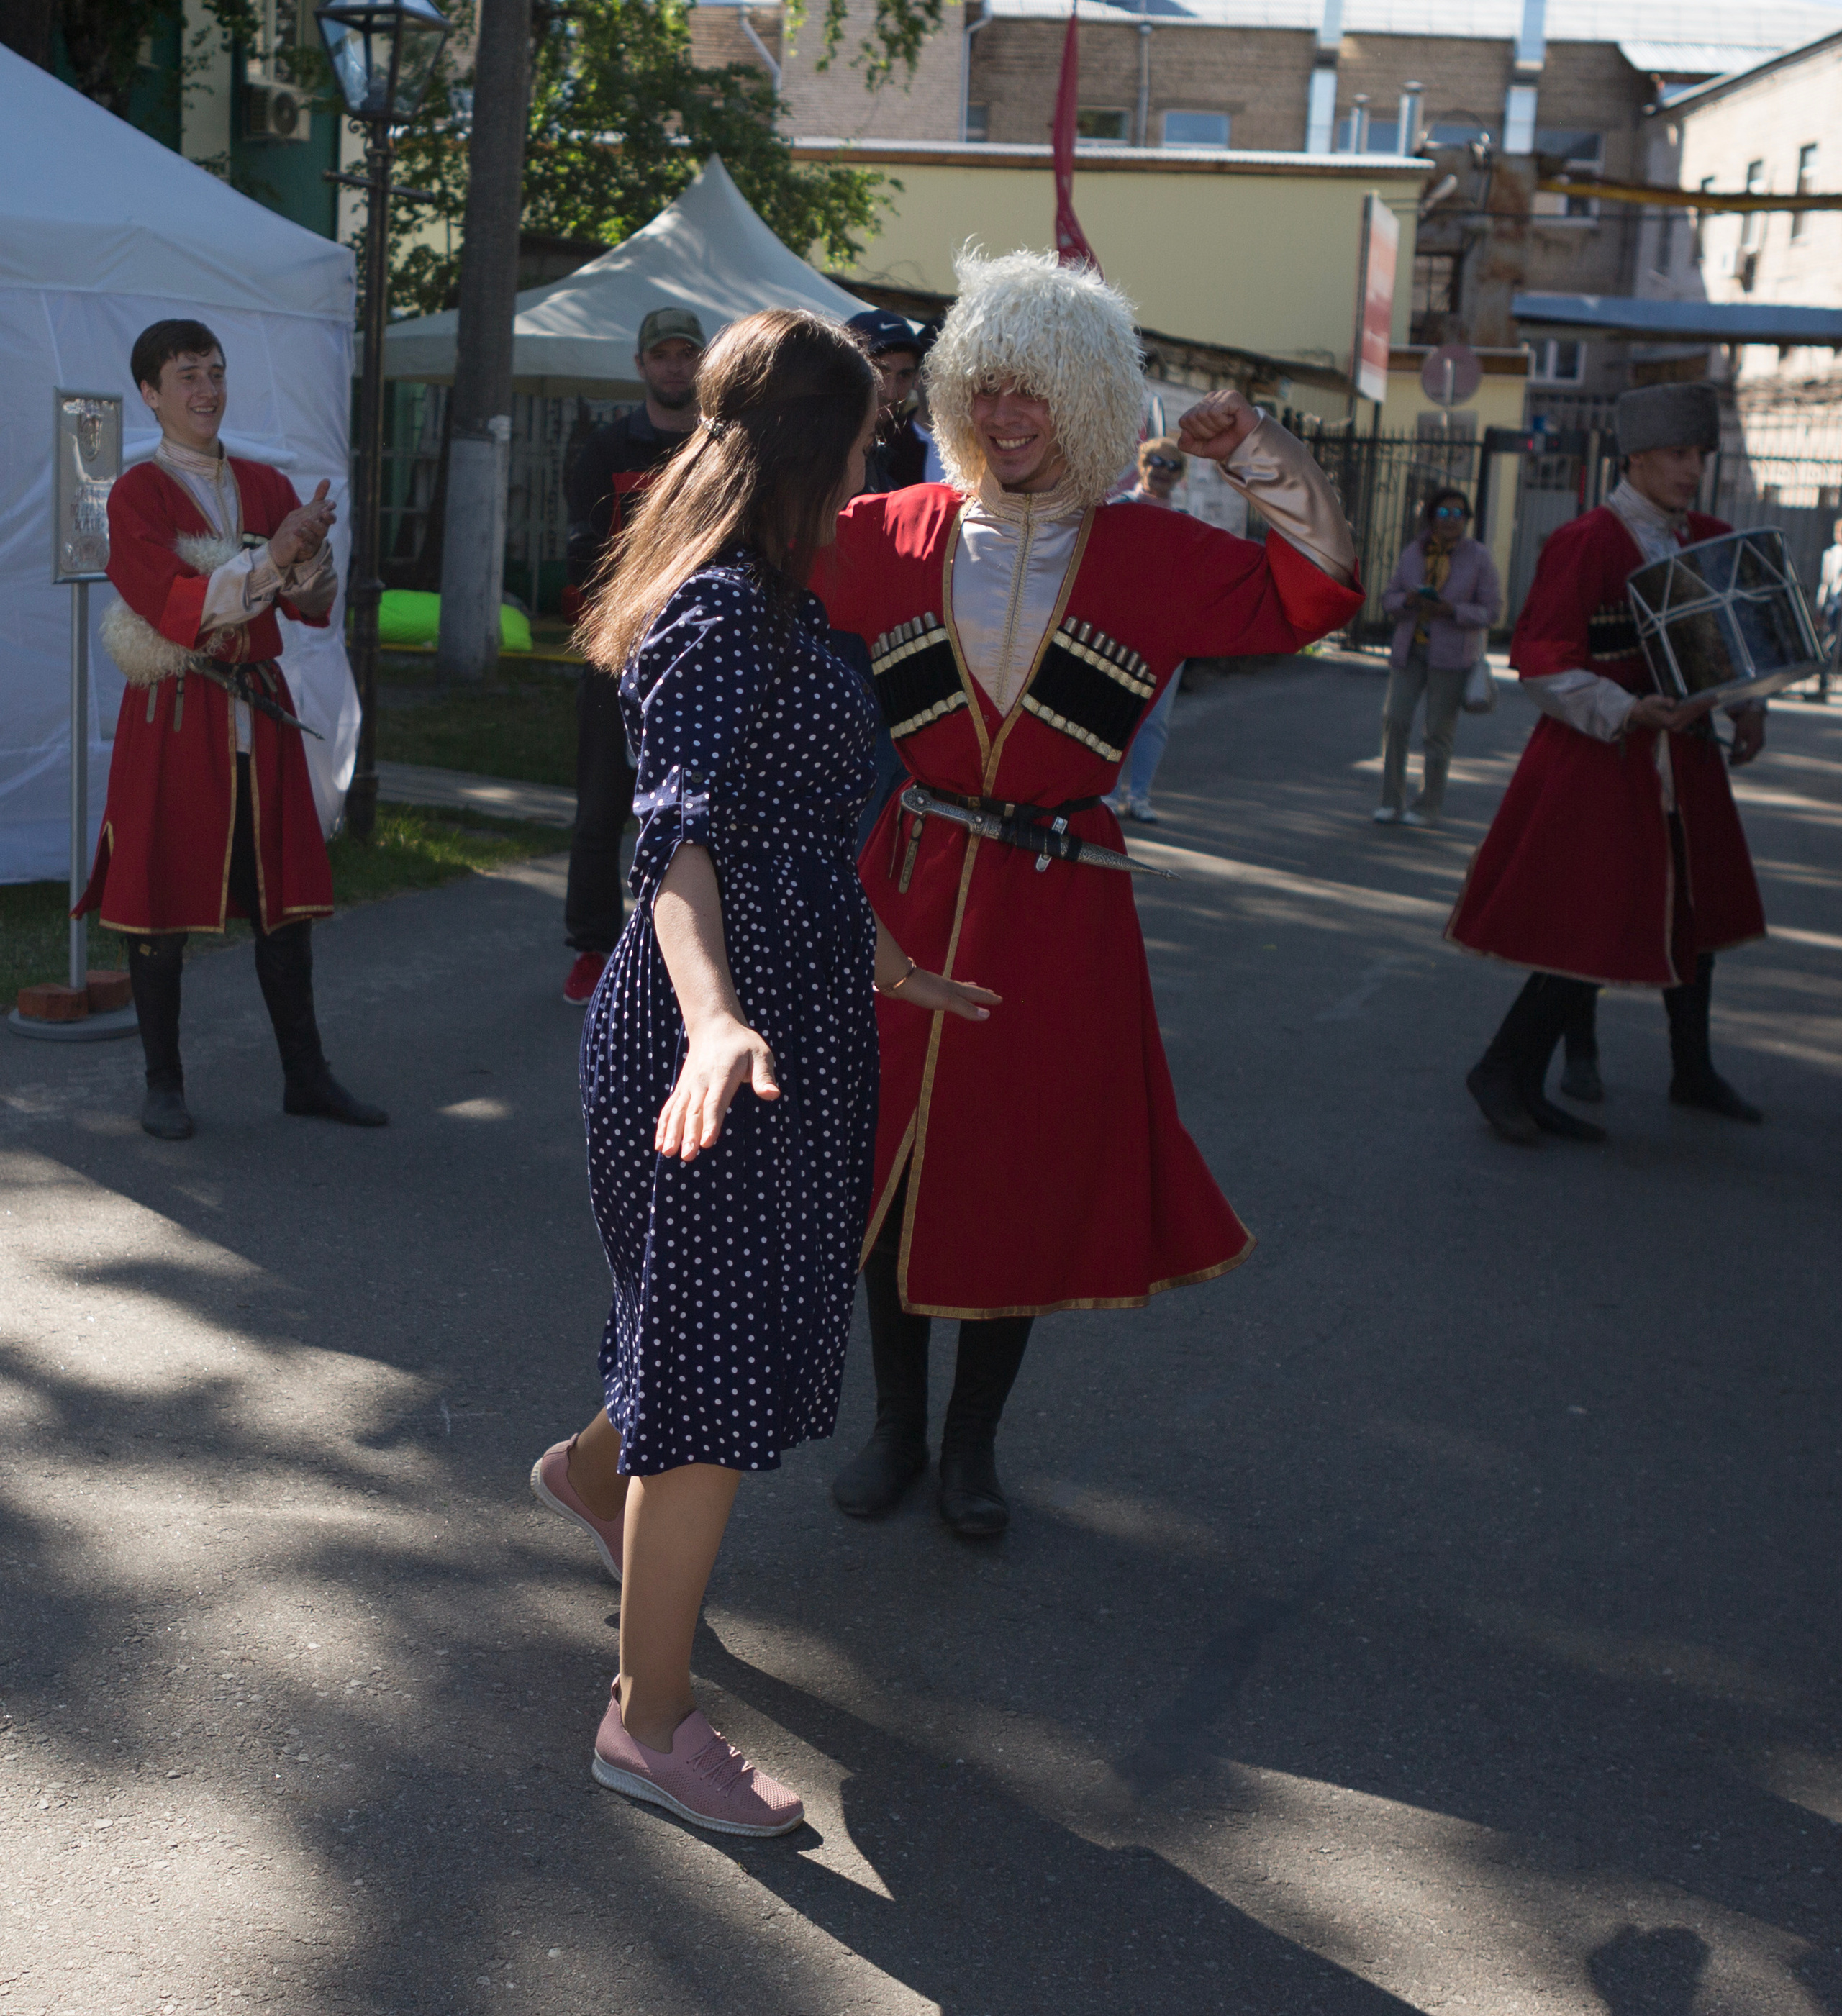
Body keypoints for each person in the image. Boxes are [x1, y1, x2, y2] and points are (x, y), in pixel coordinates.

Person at [527, 310, 998, 1838]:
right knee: (712, 1383)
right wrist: (722, 1020)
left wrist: (874, 951)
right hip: (710, 1038)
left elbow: (788, 835)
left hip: (781, 1008)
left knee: (695, 1329)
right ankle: (644, 1725)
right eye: (868, 439)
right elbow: (677, 848)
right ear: (820, 447)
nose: (880, 460)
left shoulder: (775, 606)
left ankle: (598, 1478)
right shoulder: (727, 614)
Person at [812, 248, 1364, 1537]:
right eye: (991, 388)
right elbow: (731, 555)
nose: (1010, 418)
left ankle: (970, 1449)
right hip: (905, 879)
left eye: (1041, 394)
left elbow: (1327, 589)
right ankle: (894, 1428)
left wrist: (1258, 450)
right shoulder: (891, 531)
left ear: (1095, 403)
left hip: (1062, 909)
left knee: (1012, 1179)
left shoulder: (1155, 553)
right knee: (886, 1173)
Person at [78, 319, 386, 1141]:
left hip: (258, 708)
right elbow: (173, 608)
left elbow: (311, 611)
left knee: (281, 904)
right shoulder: (134, 494)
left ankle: (306, 1076)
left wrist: (308, 555)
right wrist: (270, 557)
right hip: (176, 714)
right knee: (161, 904)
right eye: (187, 376)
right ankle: (163, 1086)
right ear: (150, 394)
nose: (207, 390)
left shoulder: (263, 480)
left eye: (215, 372)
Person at [1450, 380, 1768, 1145]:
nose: (1693, 469)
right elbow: (1542, 660)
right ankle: (1503, 1071)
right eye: (1678, 454)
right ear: (1637, 457)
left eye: (1698, 454)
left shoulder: (1704, 538)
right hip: (1602, 760)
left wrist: (1746, 705)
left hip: (1683, 765)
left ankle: (1687, 1072)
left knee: (1692, 913)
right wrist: (1624, 709)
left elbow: (1720, 647)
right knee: (1592, 920)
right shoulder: (1586, 541)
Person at [558, 307, 705, 1007]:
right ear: (641, 364)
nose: (675, 366)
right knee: (598, 812)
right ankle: (591, 949)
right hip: (618, 654)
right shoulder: (603, 449)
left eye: (686, 353)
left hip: (704, 659)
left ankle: (672, 955)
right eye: (662, 354)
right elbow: (582, 560)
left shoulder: (720, 450)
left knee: (690, 814)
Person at [1374, 487, 1502, 827]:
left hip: (1451, 656)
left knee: (1437, 733)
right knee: (1396, 720)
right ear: (1431, 516)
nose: (1452, 520)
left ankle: (1428, 805)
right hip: (1410, 650)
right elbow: (1388, 598)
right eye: (1444, 513)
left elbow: (1492, 612)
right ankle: (1391, 801)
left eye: (1459, 514)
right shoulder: (1413, 554)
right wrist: (1409, 601)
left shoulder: (1478, 557)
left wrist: (1452, 610)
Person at [1104, 436, 1192, 825]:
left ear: (1180, 476)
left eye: (1173, 466)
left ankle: (1139, 796)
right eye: (1157, 461)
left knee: (1155, 720)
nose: (1163, 471)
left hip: (1166, 634)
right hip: (1120, 629)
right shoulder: (1118, 511)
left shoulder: (1185, 523)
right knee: (1113, 713)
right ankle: (1105, 794)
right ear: (1142, 464)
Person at [846, 308, 929, 494]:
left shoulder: (901, 458)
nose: (891, 393)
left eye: (904, 375)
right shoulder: (811, 451)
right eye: (878, 372)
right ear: (845, 370)